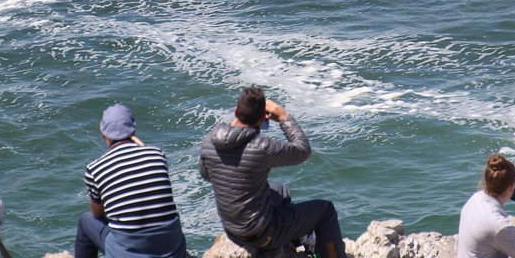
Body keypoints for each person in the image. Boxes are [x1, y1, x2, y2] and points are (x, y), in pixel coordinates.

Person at [199, 86, 346, 258]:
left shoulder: (210, 140)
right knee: (326, 211)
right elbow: (303, 151)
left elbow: (206, 174)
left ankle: (295, 243)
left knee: (279, 191)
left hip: (233, 230)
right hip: (260, 235)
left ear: (235, 111)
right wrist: (284, 117)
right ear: (263, 119)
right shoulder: (261, 147)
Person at [74, 104, 187, 258]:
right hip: (173, 250)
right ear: (134, 131)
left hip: (128, 253)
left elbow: (97, 213)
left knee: (85, 220)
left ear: (103, 134)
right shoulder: (157, 155)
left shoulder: (95, 169)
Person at [458, 154, 515, 258]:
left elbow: (499, 189)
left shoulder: (474, 199)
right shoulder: (499, 225)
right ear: (511, 188)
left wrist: (510, 191)